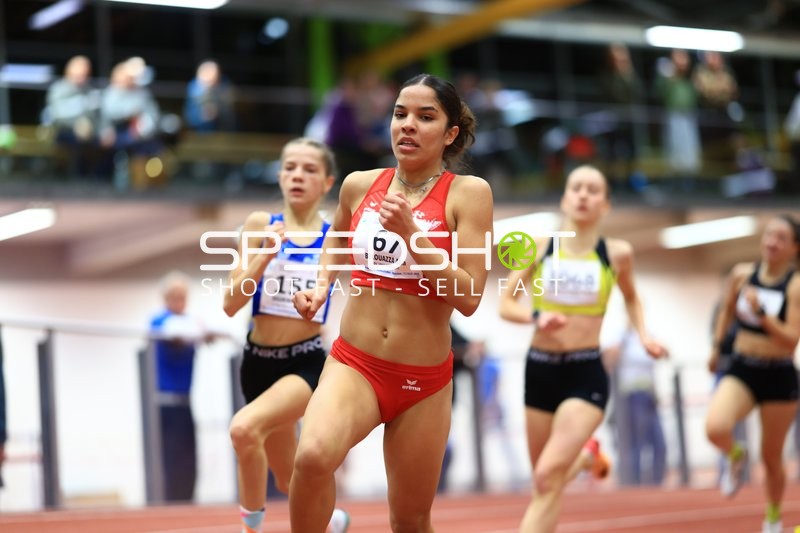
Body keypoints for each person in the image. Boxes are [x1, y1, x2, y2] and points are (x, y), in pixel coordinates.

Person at [290, 73, 492, 533]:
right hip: (355, 364)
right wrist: (322, 287)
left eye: (425, 117)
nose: (408, 125)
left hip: (424, 381)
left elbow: (469, 296)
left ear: (450, 133)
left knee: (410, 519)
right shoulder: (359, 185)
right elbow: (337, 240)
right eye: (400, 114)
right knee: (313, 456)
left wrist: (414, 237)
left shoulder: (469, 194)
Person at [498, 165, 667, 533]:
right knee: (546, 481)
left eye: (593, 190)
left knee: (546, 476)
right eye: (576, 188)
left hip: (585, 372)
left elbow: (633, 299)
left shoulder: (616, 253)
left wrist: (644, 335)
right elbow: (506, 303)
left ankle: (584, 456)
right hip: (540, 369)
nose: (583, 195)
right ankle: (587, 457)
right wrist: (536, 318)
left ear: (605, 205)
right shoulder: (538, 247)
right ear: (565, 198)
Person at [223, 137, 349, 533]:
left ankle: (251, 528)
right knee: (287, 479)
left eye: (310, 169)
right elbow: (229, 303)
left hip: (305, 363)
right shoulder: (260, 225)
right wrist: (263, 256)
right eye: (290, 167)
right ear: (279, 175)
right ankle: (335, 522)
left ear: (327, 183)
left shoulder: (333, 236)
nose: (298, 175)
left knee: (244, 429)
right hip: (257, 362)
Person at [705, 215, 800, 533]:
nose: (772, 242)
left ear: (794, 248)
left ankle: (772, 518)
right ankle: (735, 453)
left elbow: (791, 339)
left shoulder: (796, 285)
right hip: (743, 367)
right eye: (769, 234)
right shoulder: (742, 274)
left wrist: (762, 313)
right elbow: (726, 310)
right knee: (715, 427)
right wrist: (717, 348)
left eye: (781, 238)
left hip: (779, 374)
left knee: (771, 457)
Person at [149, 270, 211, 502]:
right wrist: (200, 329)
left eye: (183, 296)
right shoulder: (160, 321)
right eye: (174, 296)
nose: (179, 301)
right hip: (163, 402)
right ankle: (169, 503)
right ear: (165, 298)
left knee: (188, 458)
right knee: (169, 458)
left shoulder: (189, 322)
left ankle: (187, 503)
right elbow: (176, 329)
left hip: (185, 402)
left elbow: (204, 329)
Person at [604, 323, 667, 486]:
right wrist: (619, 347)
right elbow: (607, 359)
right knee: (635, 445)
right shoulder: (620, 334)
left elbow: (666, 353)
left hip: (649, 395)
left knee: (659, 443)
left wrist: (656, 346)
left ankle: (656, 483)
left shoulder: (649, 334)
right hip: (630, 396)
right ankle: (633, 484)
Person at [43, 55, 100, 177]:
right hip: (61, 131)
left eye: (85, 74)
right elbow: (56, 115)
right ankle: (68, 176)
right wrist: (78, 123)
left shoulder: (90, 90)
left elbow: (97, 115)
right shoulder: (58, 89)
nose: (81, 78)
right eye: (78, 75)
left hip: (88, 134)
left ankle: (90, 177)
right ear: (68, 72)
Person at [184, 60, 236, 133]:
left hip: (223, 128)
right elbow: (190, 117)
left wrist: (218, 110)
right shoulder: (194, 89)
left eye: (214, 81)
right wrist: (203, 115)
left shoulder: (225, 85)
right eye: (208, 82)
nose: (211, 85)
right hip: (201, 130)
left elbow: (230, 112)